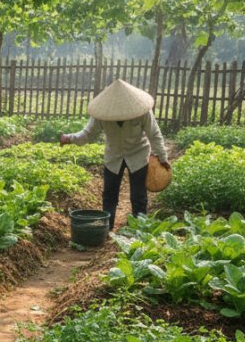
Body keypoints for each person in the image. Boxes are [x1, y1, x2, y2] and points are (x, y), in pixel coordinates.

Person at [60, 79, 171, 230]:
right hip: (114, 156)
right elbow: (88, 133)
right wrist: (70, 138)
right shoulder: (103, 114)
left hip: (138, 155)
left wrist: (162, 157)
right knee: (109, 194)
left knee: (138, 196)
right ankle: (107, 228)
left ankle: (140, 229)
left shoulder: (141, 111)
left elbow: (154, 134)